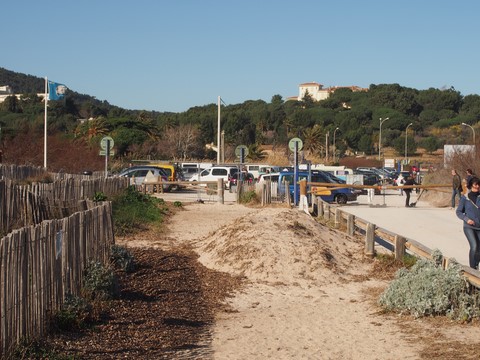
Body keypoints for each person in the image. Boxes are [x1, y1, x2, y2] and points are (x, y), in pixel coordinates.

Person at [456, 176, 480, 269]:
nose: (477, 187)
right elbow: (458, 212)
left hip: (479, 226)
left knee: (479, 249)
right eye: (475, 185)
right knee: (474, 246)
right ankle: (472, 269)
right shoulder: (465, 198)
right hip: (469, 227)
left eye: (478, 185)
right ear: (470, 186)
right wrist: (467, 219)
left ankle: (476, 264)